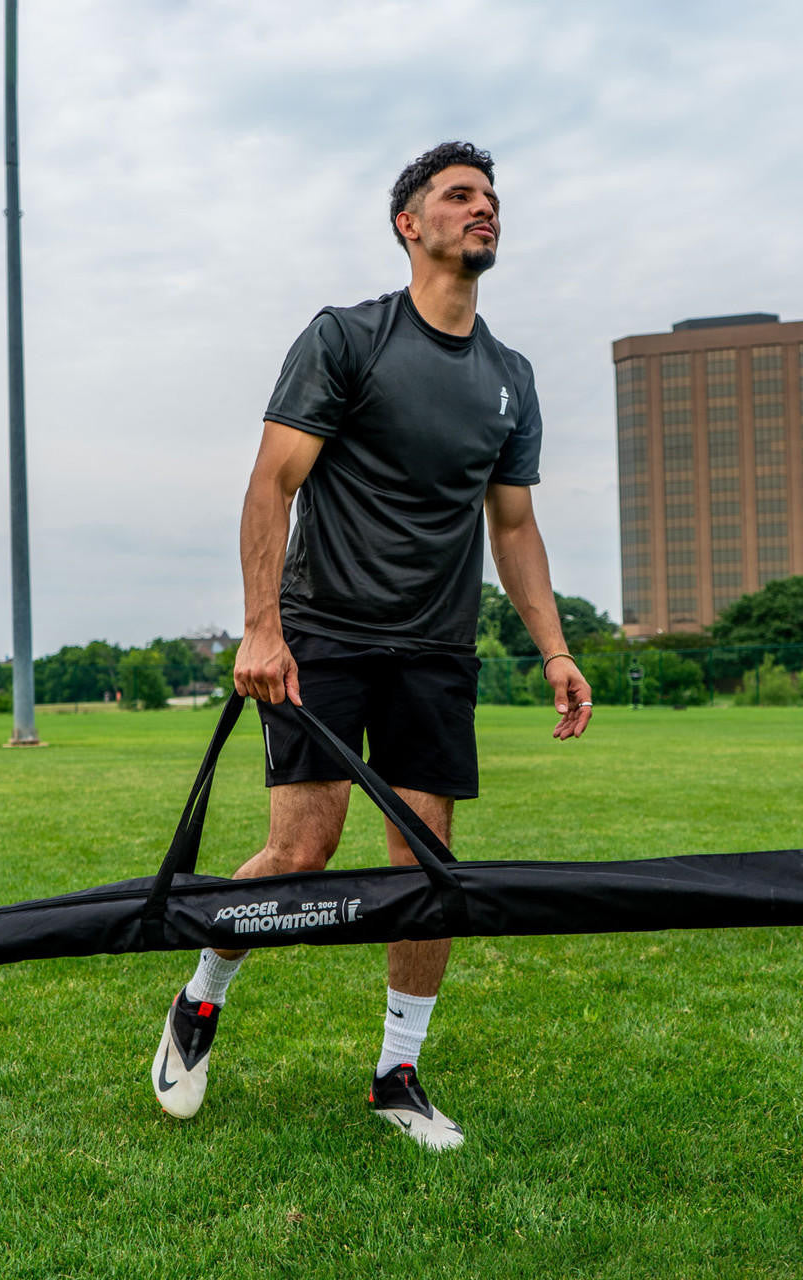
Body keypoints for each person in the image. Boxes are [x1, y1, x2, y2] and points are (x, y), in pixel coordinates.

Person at [151, 141, 592, 1150]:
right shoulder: (346, 338)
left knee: (425, 863)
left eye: (490, 197)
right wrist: (261, 627)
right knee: (301, 850)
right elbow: (272, 482)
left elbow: (513, 525)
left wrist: (556, 650)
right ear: (409, 223)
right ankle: (202, 992)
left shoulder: (510, 378)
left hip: (435, 649)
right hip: (325, 634)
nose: (483, 208)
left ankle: (398, 1074)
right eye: (458, 195)